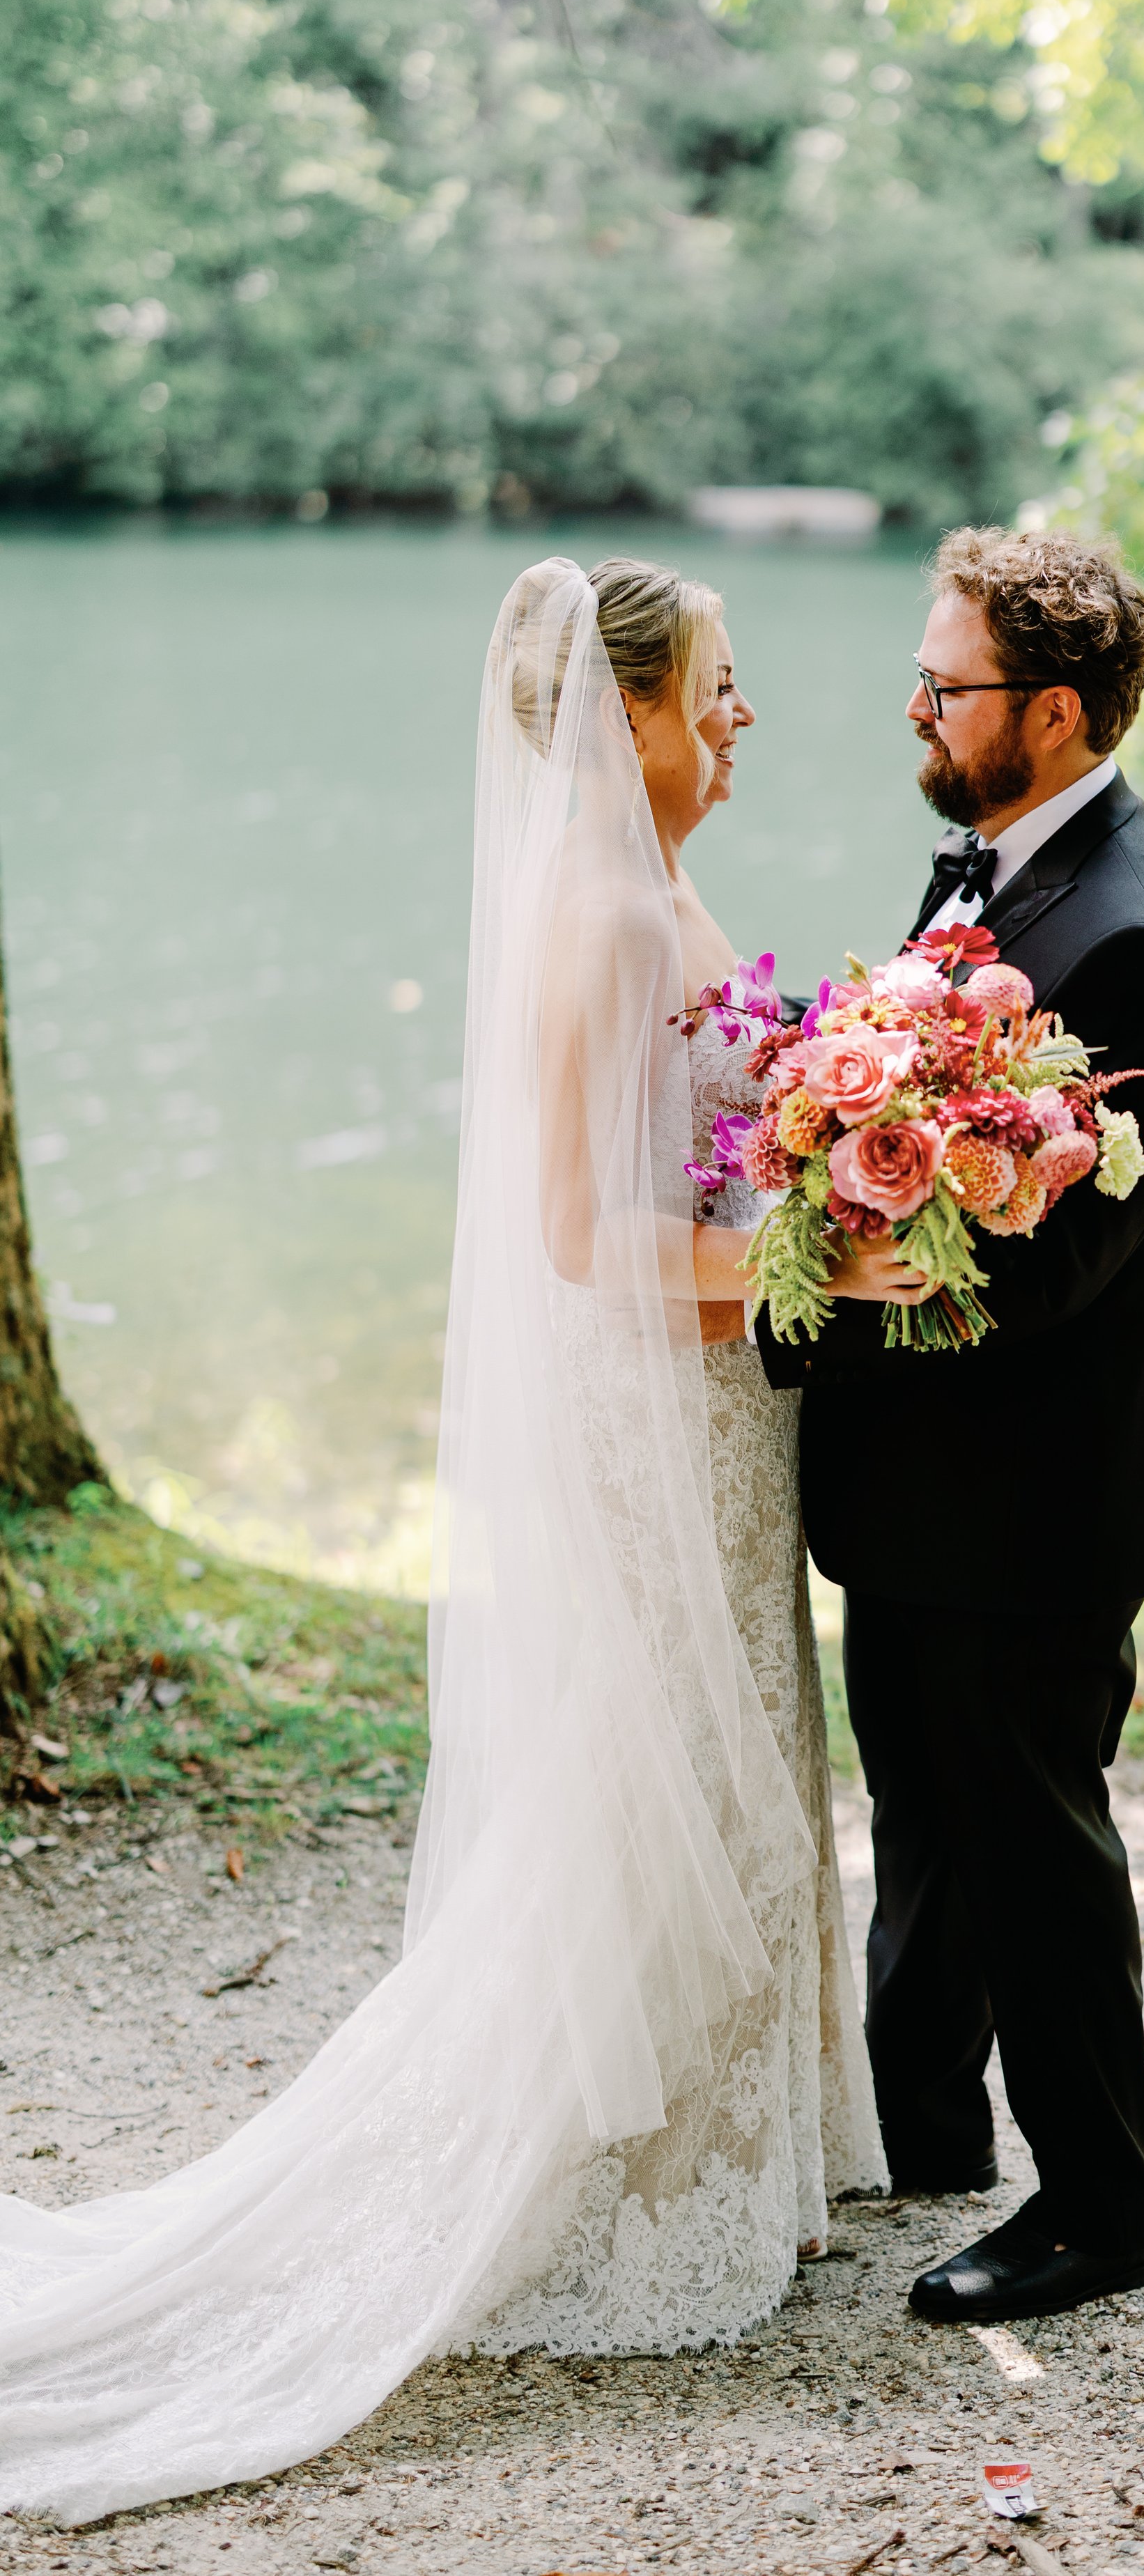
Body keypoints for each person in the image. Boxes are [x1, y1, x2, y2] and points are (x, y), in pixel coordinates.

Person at [0, 555, 897, 2527]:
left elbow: (703, 1139)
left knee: (730, 1755)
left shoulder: (658, 884)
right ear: (628, 708)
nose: (744, 722)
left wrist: (822, 1168)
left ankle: (729, 2154)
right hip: (651, 1410)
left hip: (713, 1423)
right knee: (646, 1773)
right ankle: (610, 2181)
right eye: (721, 692)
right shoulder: (592, 919)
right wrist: (823, 1259)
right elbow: (585, 1242)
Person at [755, 526, 1144, 2325]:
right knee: (930, 1818)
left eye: (942, 685)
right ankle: (928, 2132)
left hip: (1033, 1499)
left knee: (1031, 1844)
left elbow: (1048, 1278)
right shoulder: (1000, 875)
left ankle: (1102, 2210)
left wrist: (794, 1267)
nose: (913, 707)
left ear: (1045, 710)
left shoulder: (1129, 941)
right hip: (928, 1488)